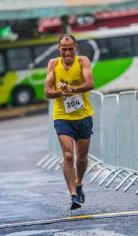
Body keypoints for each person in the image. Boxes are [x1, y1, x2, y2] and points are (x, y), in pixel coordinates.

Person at [44, 34, 94, 210]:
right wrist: (60, 92)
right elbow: (47, 91)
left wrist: (72, 89)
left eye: (70, 48)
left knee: (81, 158)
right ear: (59, 49)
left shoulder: (82, 62)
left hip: (83, 115)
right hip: (62, 116)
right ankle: (73, 195)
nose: (67, 52)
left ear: (76, 48)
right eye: (63, 49)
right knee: (68, 155)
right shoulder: (53, 64)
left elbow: (90, 83)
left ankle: (79, 183)